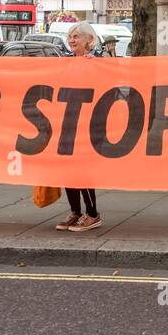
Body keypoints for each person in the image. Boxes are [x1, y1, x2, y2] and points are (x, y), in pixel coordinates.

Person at [56, 22, 103, 231]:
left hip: (86, 125)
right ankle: (76, 211)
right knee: (67, 169)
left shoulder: (98, 63)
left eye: (76, 36)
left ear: (89, 40)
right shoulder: (66, 63)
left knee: (83, 170)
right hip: (67, 123)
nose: (72, 40)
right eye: (70, 36)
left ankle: (92, 214)